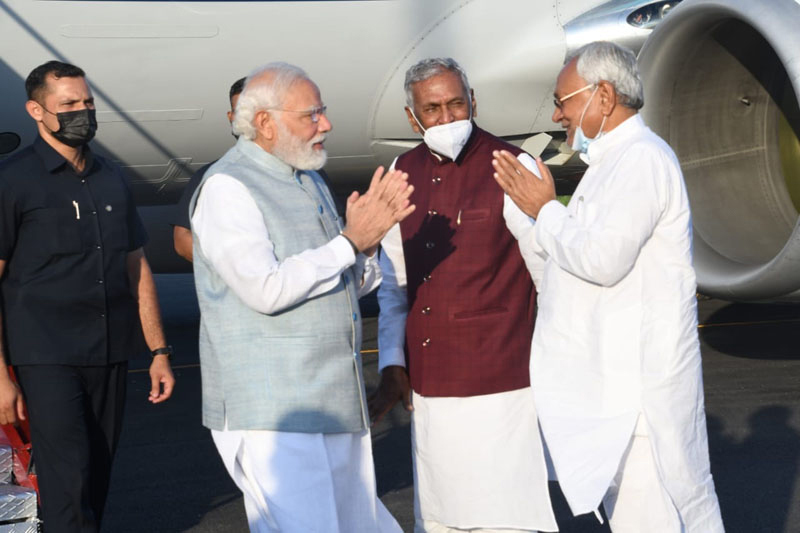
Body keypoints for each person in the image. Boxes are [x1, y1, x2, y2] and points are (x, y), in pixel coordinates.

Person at [492, 41, 724, 532]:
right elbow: (567, 268)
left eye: (563, 100)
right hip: (614, 388)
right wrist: (527, 219)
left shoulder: (641, 160)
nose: (557, 115)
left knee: (663, 510)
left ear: (603, 95)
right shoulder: (609, 164)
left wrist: (545, 208)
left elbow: (602, 260)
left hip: (641, 393)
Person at [189, 62, 414, 532]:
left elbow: (340, 283)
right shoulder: (228, 188)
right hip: (274, 414)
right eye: (311, 114)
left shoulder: (308, 178)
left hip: (334, 400)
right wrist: (349, 242)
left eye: (322, 111)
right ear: (265, 123)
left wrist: (366, 247)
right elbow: (265, 289)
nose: (325, 124)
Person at [370, 57, 557, 532]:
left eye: (456, 104)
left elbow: (549, 275)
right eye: (432, 109)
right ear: (412, 117)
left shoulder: (510, 165)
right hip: (430, 384)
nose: (447, 117)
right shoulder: (401, 170)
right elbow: (393, 282)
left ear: (473, 101)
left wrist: (561, 363)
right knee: (442, 516)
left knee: (505, 516)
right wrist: (392, 361)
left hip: (503, 382)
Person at [0, 61, 175, 532]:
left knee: (97, 476)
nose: (83, 112)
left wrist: (159, 350)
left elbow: (137, 268)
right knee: (68, 480)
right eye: (69, 104)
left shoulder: (111, 177)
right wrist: (0, 377)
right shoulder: (12, 180)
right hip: (46, 355)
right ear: (36, 111)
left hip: (109, 351)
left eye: (88, 102)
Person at [172, 76, 246, 261]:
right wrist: (234, 269)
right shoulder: (211, 176)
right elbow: (182, 240)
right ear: (230, 117)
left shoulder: (303, 173)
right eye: (240, 111)